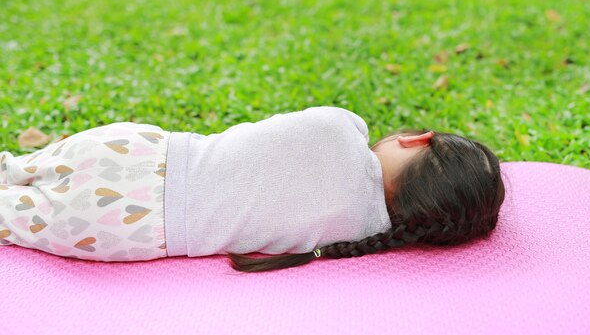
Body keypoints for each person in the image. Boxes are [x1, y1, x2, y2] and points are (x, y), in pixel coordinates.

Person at [0, 106, 505, 272]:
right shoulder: (359, 235)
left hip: (135, 154)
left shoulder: (341, 128)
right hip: (121, 230)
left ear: (417, 140)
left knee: (18, 168)